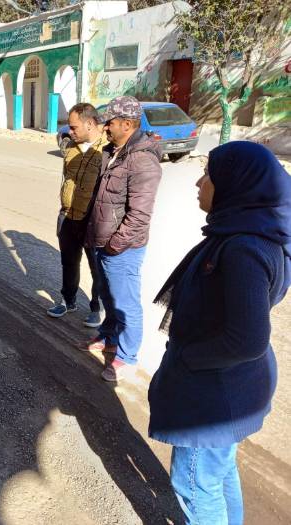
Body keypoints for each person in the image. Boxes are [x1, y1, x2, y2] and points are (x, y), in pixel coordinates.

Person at [149, 141, 291, 524]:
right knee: (218, 471)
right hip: (232, 385)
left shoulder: (244, 248)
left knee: (195, 484)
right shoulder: (255, 233)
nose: (199, 182)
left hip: (215, 393)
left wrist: (188, 359)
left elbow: (246, 340)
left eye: (209, 174)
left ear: (235, 184)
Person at [83, 95, 162, 382]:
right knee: (108, 295)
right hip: (103, 242)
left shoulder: (142, 160)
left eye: (111, 123)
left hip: (122, 248)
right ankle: (109, 337)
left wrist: (114, 246)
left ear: (127, 124)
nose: (105, 128)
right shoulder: (114, 151)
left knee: (125, 302)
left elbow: (139, 215)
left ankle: (127, 356)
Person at [47, 103, 105, 328]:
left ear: (90, 124)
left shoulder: (106, 149)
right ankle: (68, 301)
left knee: (96, 266)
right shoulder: (70, 146)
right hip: (68, 215)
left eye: (74, 127)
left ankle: (96, 308)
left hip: (92, 219)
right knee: (69, 262)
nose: (69, 132)